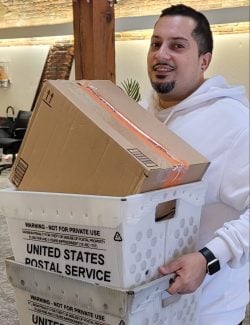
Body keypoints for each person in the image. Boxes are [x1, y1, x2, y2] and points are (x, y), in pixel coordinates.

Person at [144, 4, 249, 325]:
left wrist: (208, 258)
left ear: (204, 60)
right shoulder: (139, 116)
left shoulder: (234, 123)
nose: (161, 54)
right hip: (146, 298)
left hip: (206, 307)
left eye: (177, 45)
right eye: (155, 43)